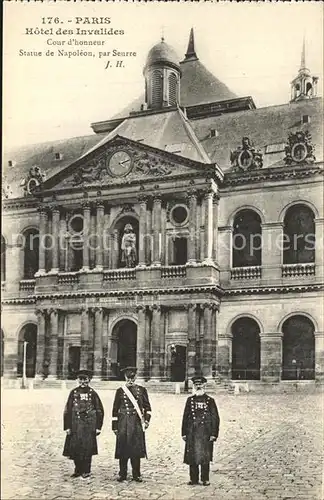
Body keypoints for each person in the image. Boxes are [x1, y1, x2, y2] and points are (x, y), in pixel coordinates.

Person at [112, 366, 152, 482]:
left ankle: (136, 474)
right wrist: (115, 426)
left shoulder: (142, 390)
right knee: (123, 449)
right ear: (125, 377)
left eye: (132, 378)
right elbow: (115, 409)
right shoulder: (120, 391)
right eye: (128, 378)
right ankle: (122, 473)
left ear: (136, 377)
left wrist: (147, 421)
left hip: (136, 423)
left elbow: (148, 408)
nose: (130, 380)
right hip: (123, 422)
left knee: (136, 449)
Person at [63, 369, 104, 479]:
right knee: (75, 448)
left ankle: (86, 470)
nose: (82, 382)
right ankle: (77, 469)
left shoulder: (93, 393)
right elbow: (67, 410)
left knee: (87, 448)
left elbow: (99, 410)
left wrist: (98, 427)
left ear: (89, 380)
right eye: (80, 379)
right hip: (75, 424)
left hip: (88, 425)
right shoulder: (73, 392)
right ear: (77, 380)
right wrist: (67, 426)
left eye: (85, 380)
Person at [181, 376, 220, 486]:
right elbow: (185, 417)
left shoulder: (210, 401)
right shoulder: (190, 400)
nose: (198, 386)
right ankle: (193, 479)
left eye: (200, 384)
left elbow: (215, 418)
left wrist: (214, 433)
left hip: (205, 433)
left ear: (204, 385)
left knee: (205, 456)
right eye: (196, 384)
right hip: (192, 432)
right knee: (192, 456)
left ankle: (205, 479)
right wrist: (184, 433)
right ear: (194, 386)